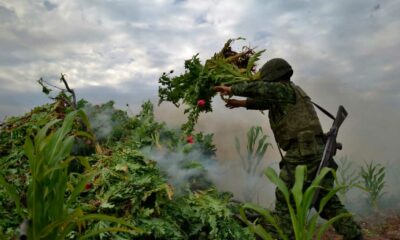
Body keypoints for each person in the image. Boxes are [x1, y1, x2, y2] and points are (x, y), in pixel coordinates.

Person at [213, 58, 363, 240]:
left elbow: (262, 90)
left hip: (302, 153)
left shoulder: (282, 89)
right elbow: (266, 102)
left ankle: (284, 235)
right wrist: (241, 104)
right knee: (326, 200)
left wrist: (231, 88)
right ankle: (354, 235)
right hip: (315, 151)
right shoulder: (293, 91)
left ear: (273, 76)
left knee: (286, 196)